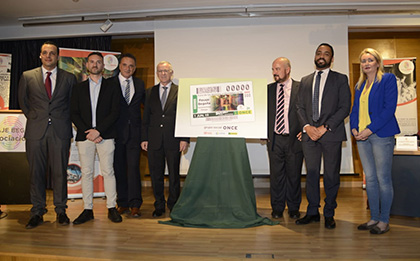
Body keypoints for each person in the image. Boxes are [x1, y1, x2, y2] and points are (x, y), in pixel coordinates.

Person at [18, 41, 77, 229]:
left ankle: (61, 210)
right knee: (36, 173)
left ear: (58, 57)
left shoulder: (69, 78)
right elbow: (24, 102)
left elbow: (72, 104)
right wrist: (37, 118)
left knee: (60, 172)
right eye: (45, 53)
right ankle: (37, 211)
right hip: (36, 131)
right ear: (40, 56)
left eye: (52, 53)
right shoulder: (27, 76)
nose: (49, 56)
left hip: (60, 131)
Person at [296, 43, 351, 229]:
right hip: (309, 135)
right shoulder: (305, 80)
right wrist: (307, 127)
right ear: (315, 56)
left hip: (331, 134)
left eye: (326, 54)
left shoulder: (340, 79)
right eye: (319, 53)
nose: (322, 56)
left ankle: (329, 213)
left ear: (332, 59)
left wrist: (325, 127)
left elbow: (345, 107)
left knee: (330, 175)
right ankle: (312, 211)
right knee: (311, 174)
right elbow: (299, 107)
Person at [350, 48, 399, 235]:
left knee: (383, 179)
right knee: (369, 179)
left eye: (370, 60)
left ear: (378, 63)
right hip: (361, 137)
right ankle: (374, 218)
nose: (366, 63)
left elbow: (389, 109)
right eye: (363, 61)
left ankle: (384, 221)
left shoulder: (387, 80)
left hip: (380, 135)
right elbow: (355, 110)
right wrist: (354, 128)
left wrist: (369, 130)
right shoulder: (359, 85)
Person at [70, 52, 122, 224]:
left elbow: (115, 112)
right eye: (92, 62)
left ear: (103, 66)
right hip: (85, 137)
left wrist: (98, 131)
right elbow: (74, 113)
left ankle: (111, 207)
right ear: (87, 65)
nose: (95, 64)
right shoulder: (78, 88)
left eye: (98, 62)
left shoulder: (112, 86)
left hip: (105, 136)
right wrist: (89, 132)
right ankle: (87, 209)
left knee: (108, 172)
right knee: (86, 173)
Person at [141, 61, 189, 217]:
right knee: (156, 175)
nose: (163, 73)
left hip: (173, 140)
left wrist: (184, 138)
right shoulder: (150, 92)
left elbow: (184, 116)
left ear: (171, 73)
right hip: (154, 140)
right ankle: (159, 205)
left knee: (174, 175)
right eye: (160, 71)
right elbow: (146, 118)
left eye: (166, 71)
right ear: (157, 73)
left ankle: (174, 205)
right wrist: (144, 138)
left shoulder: (179, 91)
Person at [267, 57, 303, 219]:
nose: (274, 72)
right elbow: (264, 113)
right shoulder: (268, 90)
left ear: (287, 70)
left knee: (294, 175)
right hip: (275, 139)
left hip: (294, 139)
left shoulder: (300, 88)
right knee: (276, 176)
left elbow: (307, 110)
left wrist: (305, 129)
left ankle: (294, 208)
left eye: (278, 69)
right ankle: (277, 208)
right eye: (273, 69)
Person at [109, 54, 145, 218]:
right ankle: (122, 203)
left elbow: (147, 109)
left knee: (133, 169)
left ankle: (135, 204)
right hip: (115, 134)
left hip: (135, 134)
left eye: (131, 66)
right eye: (125, 65)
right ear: (119, 66)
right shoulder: (110, 84)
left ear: (134, 68)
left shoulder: (139, 83)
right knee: (119, 169)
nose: (128, 68)